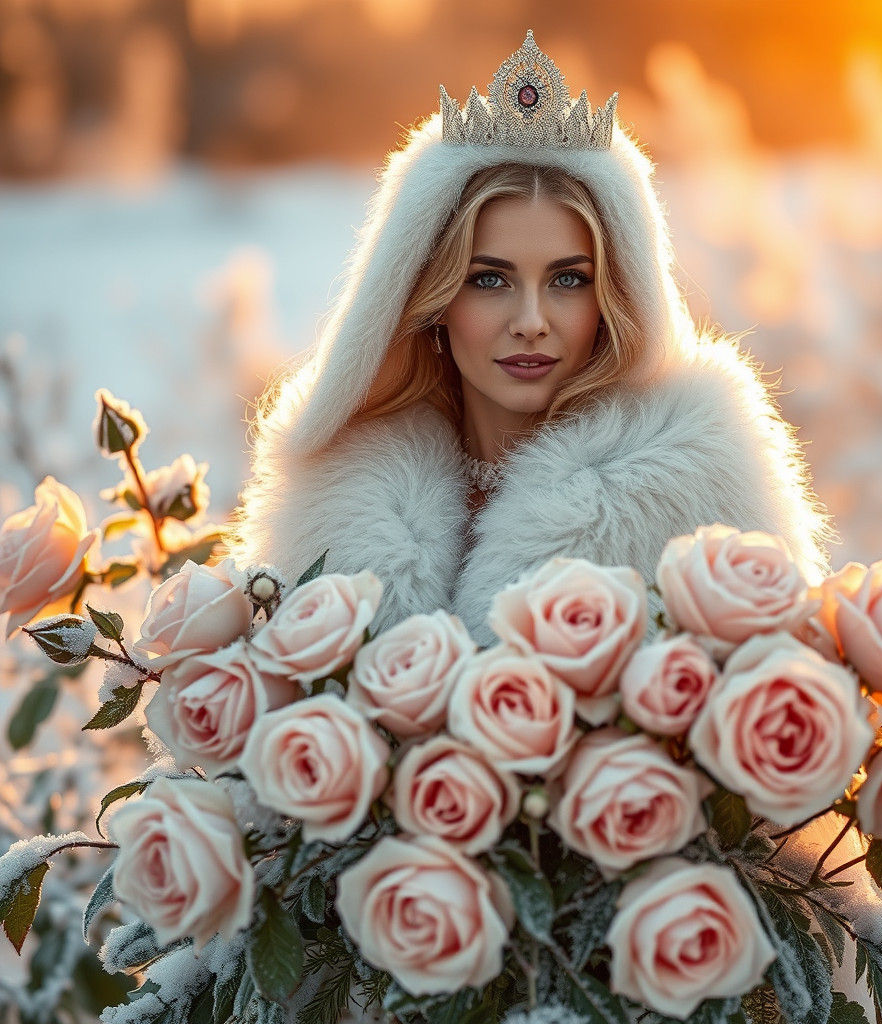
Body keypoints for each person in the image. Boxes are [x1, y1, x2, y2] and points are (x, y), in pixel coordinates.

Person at [226, 29, 834, 646]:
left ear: (613, 298)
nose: (532, 320)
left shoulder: (699, 482)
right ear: (431, 296)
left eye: (568, 279)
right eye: (489, 279)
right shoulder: (337, 494)